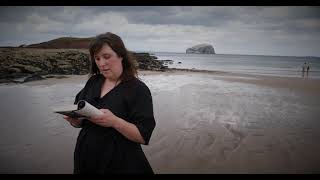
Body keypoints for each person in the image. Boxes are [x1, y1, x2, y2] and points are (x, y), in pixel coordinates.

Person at [63, 32, 156, 174]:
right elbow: (80, 121)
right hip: (86, 158)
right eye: (97, 58)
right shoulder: (93, 82)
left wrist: (115, 122)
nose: (101, 63)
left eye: (106, 57)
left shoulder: (138, 90)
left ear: (121, 56)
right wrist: (75, 121)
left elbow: (143, 136)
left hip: (120, 162)